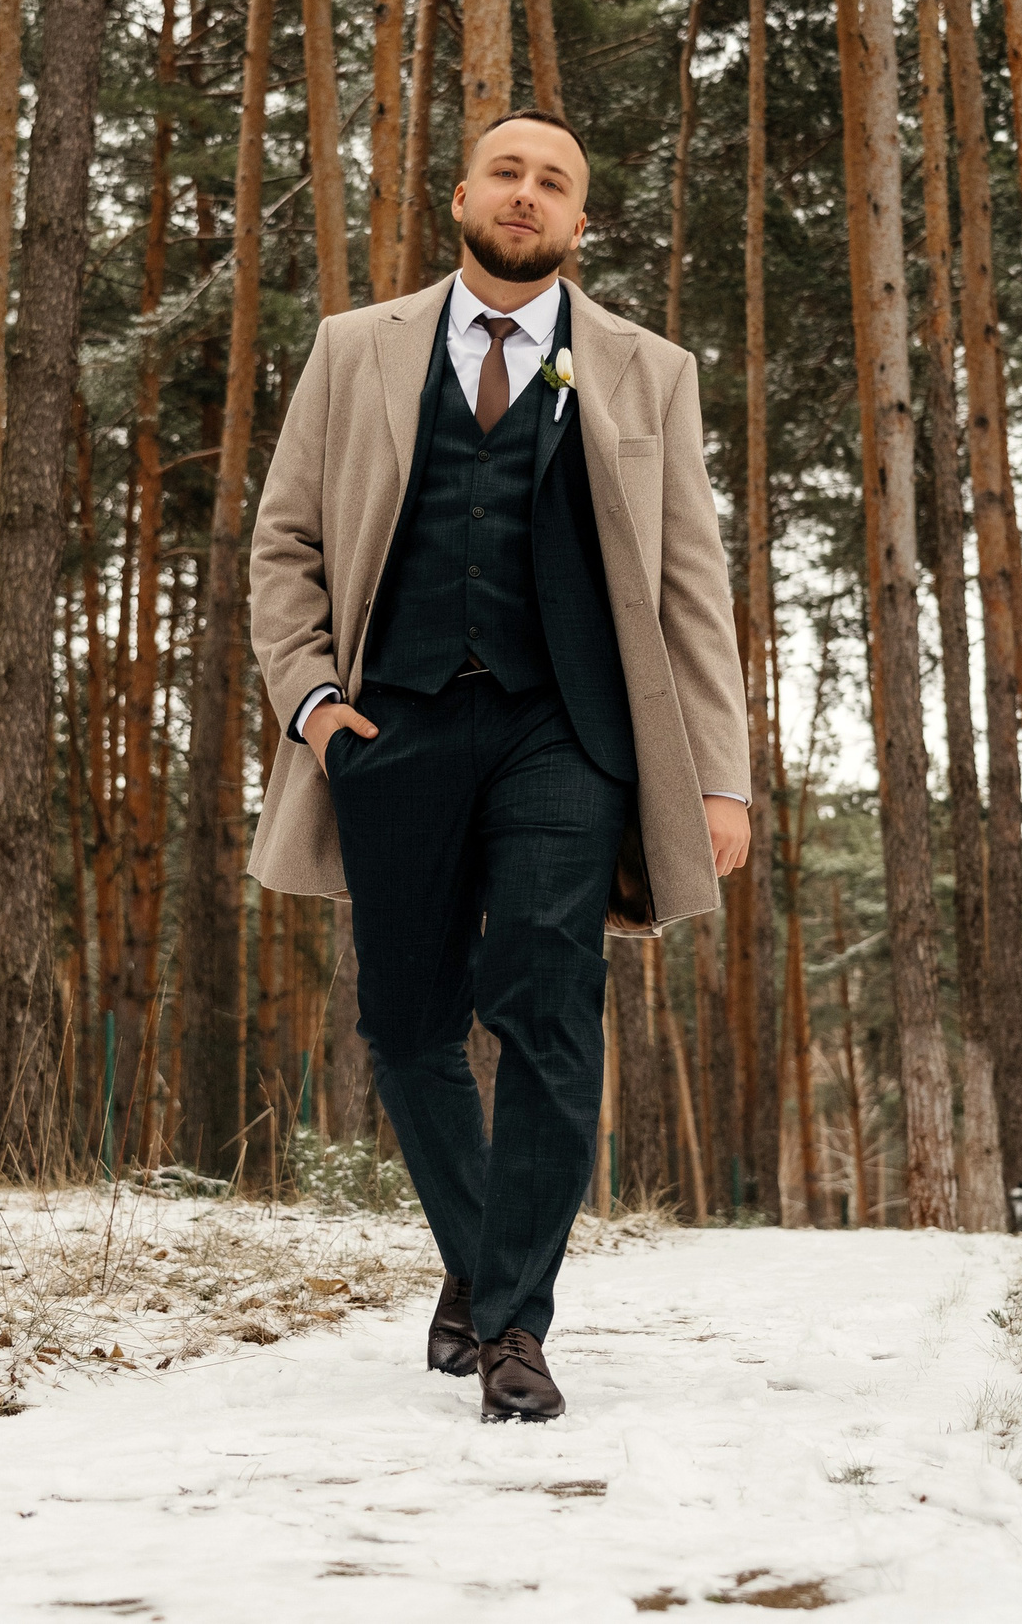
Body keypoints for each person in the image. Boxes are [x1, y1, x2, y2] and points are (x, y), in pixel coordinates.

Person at [246, 108, 750, 1422]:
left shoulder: (645, 369)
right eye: (508, 173)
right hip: (394, 723)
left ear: (581, 223)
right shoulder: (356, 351)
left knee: (547, 997)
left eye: (555, 184)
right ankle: (481, 1265)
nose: (527, 195)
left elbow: (692, 581)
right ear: (461, 193)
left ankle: (515, 1325)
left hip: (566, 730)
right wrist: (310, 703)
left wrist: (722, 775)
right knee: (406, 1026)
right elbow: (284, 543)